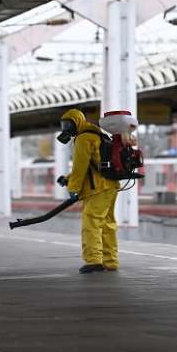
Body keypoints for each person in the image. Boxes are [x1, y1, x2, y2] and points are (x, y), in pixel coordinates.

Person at [57, 109, 120, 274]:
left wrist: (73, 188)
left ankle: (93, 260)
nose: (66, 128)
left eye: (68, 124)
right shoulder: (97, 134)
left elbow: (80, 167)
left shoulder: (83, 138)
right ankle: (110, 261)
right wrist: (68, 179)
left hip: (97, 188)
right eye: (63, 125)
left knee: (91, 223)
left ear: (77, 122)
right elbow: (91, 165)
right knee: (107, 224)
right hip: (111, 185)